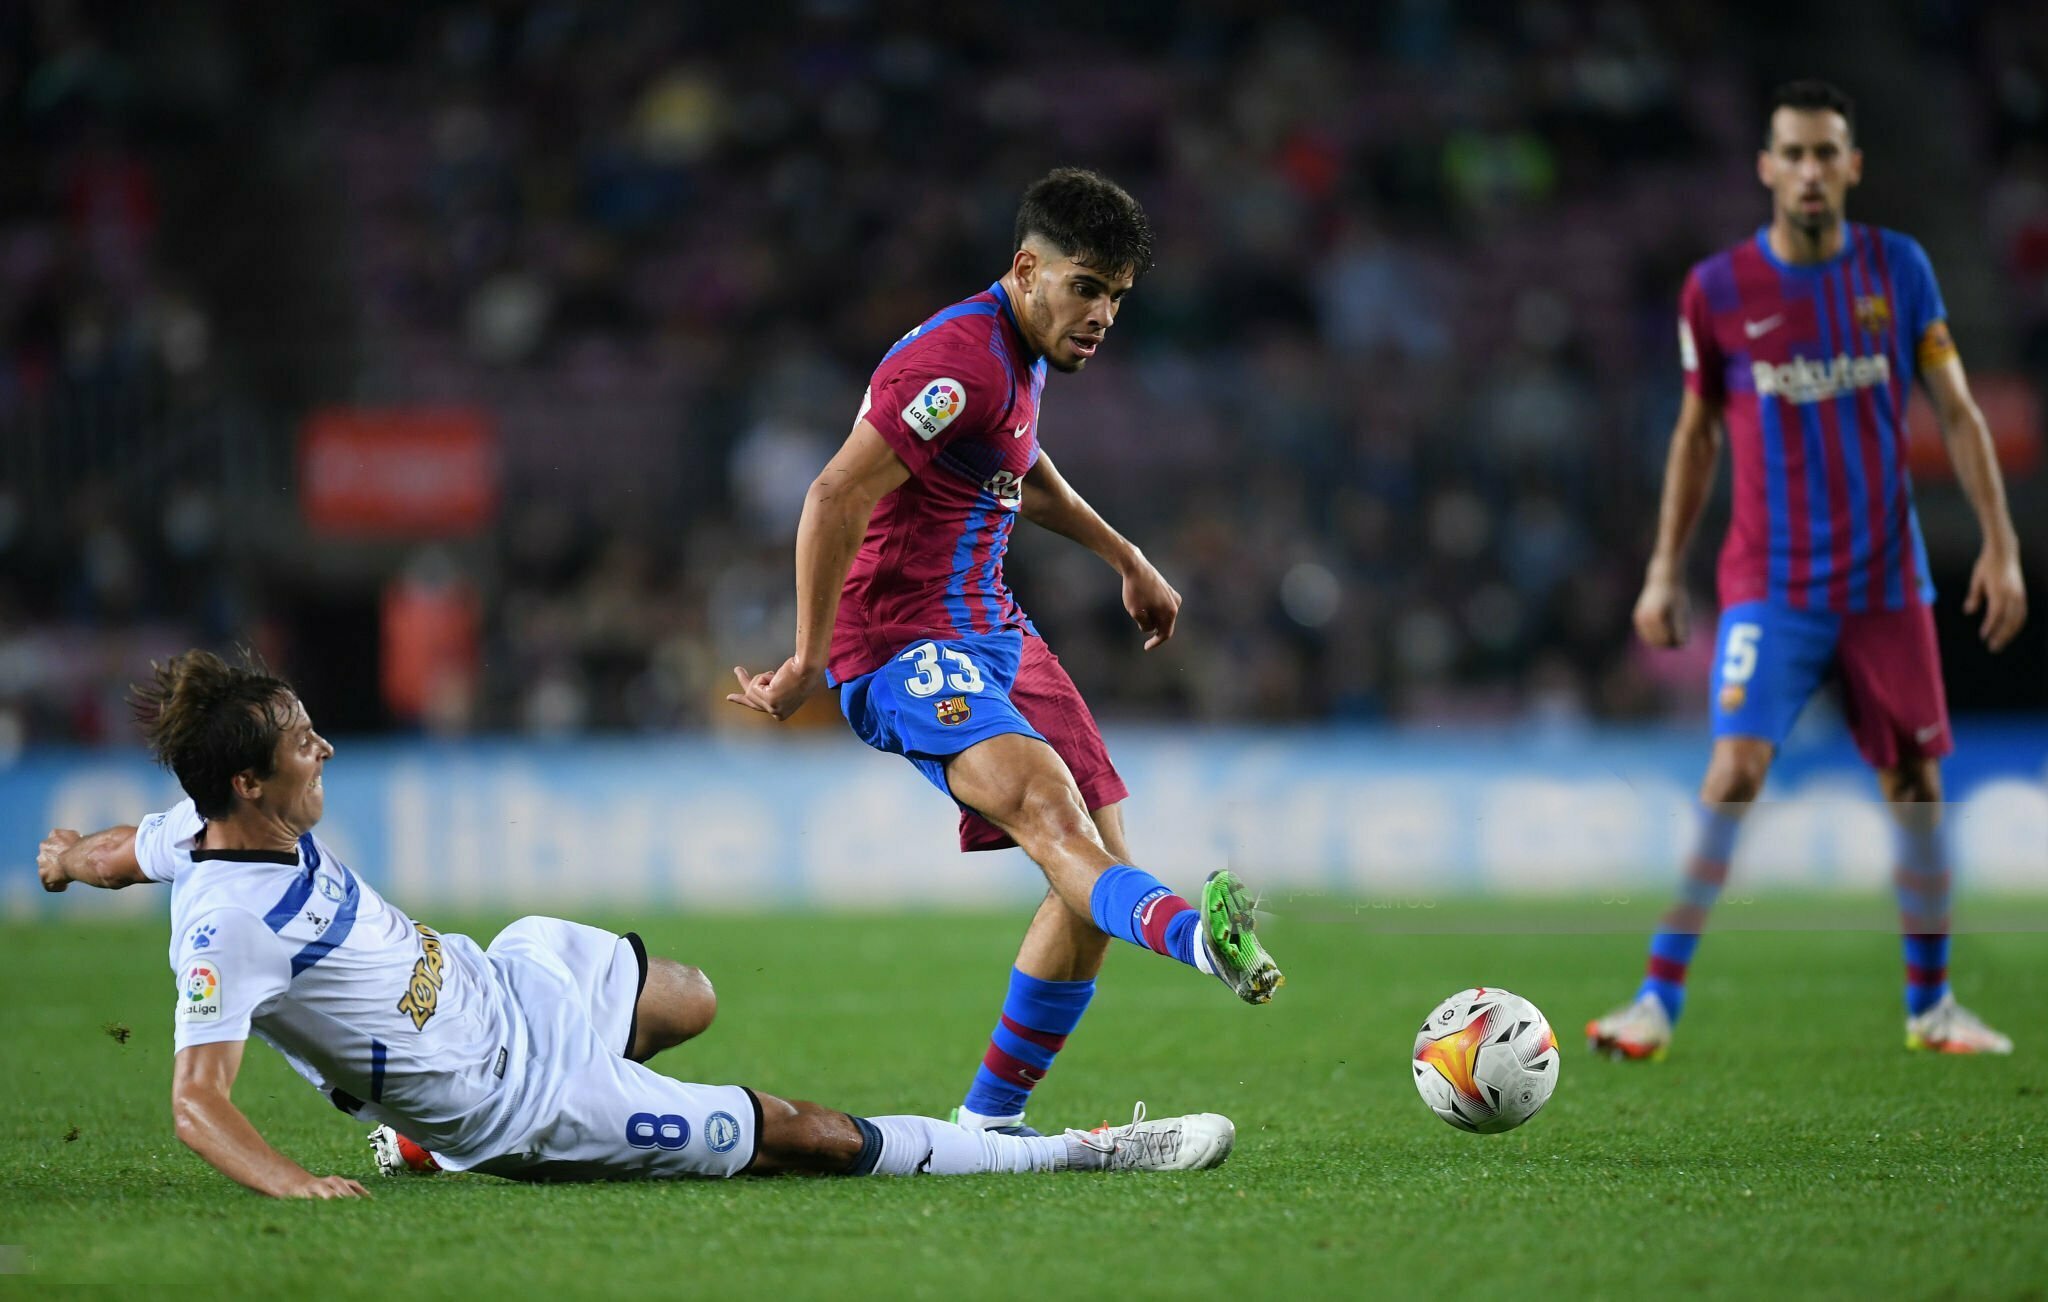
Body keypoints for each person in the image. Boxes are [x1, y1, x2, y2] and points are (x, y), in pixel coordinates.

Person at [35, 650, 1235, 1197]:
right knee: (799, 1133)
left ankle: (420, 1141)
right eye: (303, 743)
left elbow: (111, 851)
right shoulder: (222, 919)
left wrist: (59, 861)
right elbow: (197, 1103)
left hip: (503, 982)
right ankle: (1072, 1149)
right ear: (247, 783)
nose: (325, 748)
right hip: (523, 1101)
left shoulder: (191, 827)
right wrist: (291, 1188)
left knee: (689, 997)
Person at [727, 168, 1282, 1137]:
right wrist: (808, 661)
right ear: (1025, 269)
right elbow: (832, 497)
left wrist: (1126, 557)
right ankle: (1205, 940)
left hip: (992, 627)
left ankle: (988, 1122)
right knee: (1046, 815)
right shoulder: (957, 364)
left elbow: (1023, 473)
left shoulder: (1018, 355)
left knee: (1099, 871)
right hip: (902, 640)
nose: (1102, 314)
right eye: (1085, 287)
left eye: (1115, 296)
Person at [1587, 81, 2028, 1061]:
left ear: (1851, 166)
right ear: (1765, 168)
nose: (1809, 171)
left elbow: (1955, 410)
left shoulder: (1898, 269)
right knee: (1734, 765)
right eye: (1791, 153)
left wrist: (1998, 546)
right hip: (1770, 585)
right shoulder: (1717, 289)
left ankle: (1930, 1006)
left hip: (1883, 584)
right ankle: (1654, 998)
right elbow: (1695, 432)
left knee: (1913, 781)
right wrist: (1663, 569)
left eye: (1826, 153)